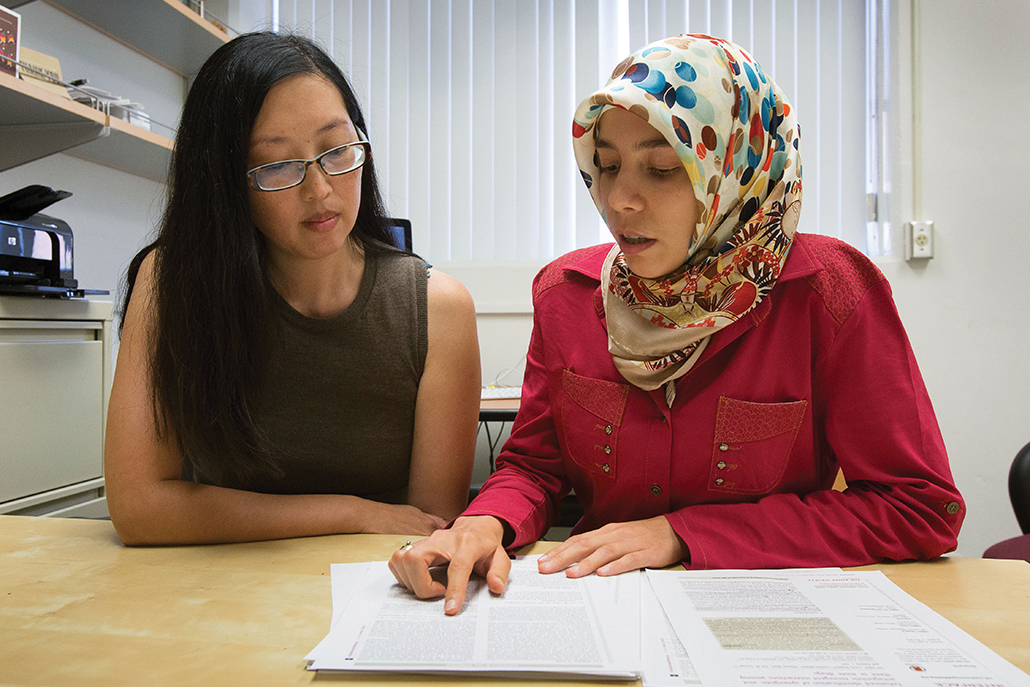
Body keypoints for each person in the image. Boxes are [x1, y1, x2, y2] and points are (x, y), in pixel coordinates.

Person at [390, 34, 964, 614]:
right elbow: (534, 465)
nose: (619, 200)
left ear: (735, 170)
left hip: (767, 613)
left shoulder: (829, 292)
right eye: (606, 166)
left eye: (663, 168)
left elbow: (917, 507)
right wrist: (488, 520)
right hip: (604, 611)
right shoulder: (567, 294)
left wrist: (683, 534)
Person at [104, 32, 481, 545]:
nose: (320, 189)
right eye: (278, 164)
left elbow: (427, 529)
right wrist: (352, 512)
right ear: (225, 183)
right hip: (215, 593)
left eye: (337, 149)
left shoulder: (438, 309)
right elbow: (140, 508)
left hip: (376, 594)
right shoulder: (175, 284)